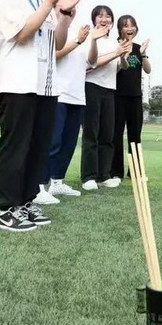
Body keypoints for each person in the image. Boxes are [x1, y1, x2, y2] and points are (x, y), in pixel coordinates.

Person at [0, 0, 83, 231]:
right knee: (16, 148)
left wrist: (64, 17)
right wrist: (48, 4)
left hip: (45, 86)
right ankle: (7, 209)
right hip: (17, 85)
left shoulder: (39, 0)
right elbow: (21, 35)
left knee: (37, 148)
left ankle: (26, 201)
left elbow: (57, 43)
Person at [34, 22, 110, 205]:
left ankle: (57, 182)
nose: (72, 11)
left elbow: (92, 62)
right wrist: (78, 40)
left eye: (73, 9)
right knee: (52, 142)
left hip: (77, 97)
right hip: (57, 94)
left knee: (68, 144)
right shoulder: (54, 29)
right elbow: (53, 55)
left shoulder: (82, 32)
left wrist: (92, 40)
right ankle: (38, 187)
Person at [81, 5, 132, 190]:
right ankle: (88, 176)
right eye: (100, 16)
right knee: (91, 134)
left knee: (107, 135)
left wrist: (123, 55)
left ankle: (104, 175)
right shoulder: (89, 38)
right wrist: (115, 53)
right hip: (91, 87)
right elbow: (92, 63)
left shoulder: (114, 43)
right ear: (94, 19)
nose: (104, 19)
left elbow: (120, 67)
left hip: (110, 90)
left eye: (108, 16)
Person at [112, 15, 151, 179]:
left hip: (135, 96)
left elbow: (148, 70)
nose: (130, 29)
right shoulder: (114, 46)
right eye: (126, 26)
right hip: (117, 96)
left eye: (132, 25)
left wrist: (143, 54)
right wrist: (123, 55)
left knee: (135, 135)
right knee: (116, 134)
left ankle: (135, 171)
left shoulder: (138, 48)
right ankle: (115, 172)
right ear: (120, 28)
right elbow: (115, 69)